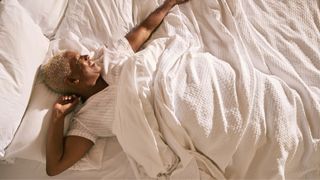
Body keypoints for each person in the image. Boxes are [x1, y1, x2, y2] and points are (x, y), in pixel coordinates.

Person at [41, 0, 190, 176]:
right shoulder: (88, 119)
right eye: (79, 59)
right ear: (73, 80)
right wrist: (57, 117)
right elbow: (54, 167)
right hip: (170, 119)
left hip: (175, 80)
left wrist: (169, 3)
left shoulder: (110, 55)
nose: (87, 55)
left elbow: (144, 30)